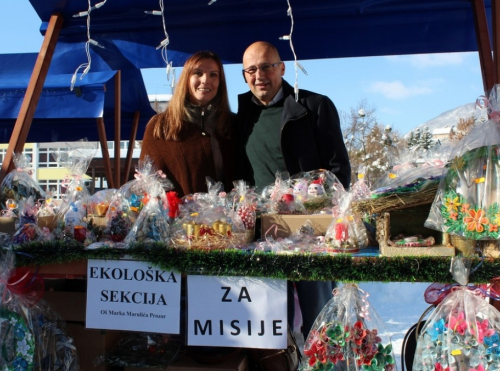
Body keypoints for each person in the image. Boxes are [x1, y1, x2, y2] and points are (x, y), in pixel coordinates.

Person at [235, 41, 351, 338]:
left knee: (321, 323)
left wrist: (311, 206)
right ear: (244, 74)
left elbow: (338, 172)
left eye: (266, 66)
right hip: (262, 238)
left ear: (282, 68)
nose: (259, 75)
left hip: (311, 233)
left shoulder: (314, 107)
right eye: (251, 69)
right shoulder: (241, 118)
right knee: (271, 327)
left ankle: (327, 367)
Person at [140, 51, 234, 196]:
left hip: (228, 217)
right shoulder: (161, 126)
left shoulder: (233, 124)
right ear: (186, 79)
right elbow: (148, 186)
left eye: (213, 75)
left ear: (220, 82)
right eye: (198, 73)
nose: (205, 80)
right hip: (178, 217)